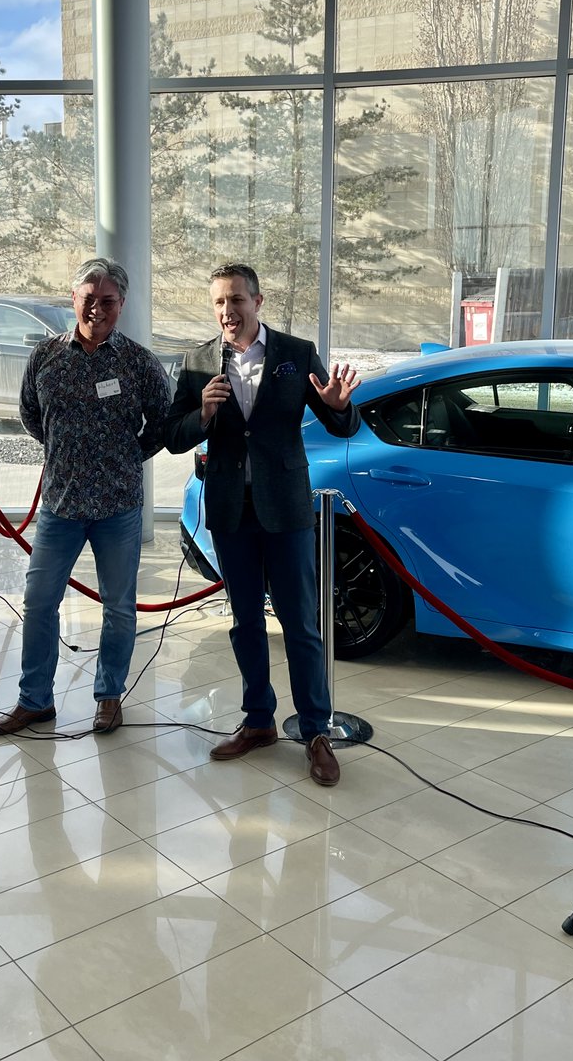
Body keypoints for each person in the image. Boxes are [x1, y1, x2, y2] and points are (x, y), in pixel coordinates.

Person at [164, 263, 361, 786]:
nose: (227, 312)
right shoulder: (196, 363)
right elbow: (172, 435)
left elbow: (341, 420)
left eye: (236, 301)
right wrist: (200, 416)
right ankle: (258, 721)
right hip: (230, 511)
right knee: (245, 621)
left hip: (287, 510)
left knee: (301, 623)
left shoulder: (295, 355)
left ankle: (316, 731)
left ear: (258, 301)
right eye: (219, 304)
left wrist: (340, 408)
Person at [0, 258, 170, 737]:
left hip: (118, 507)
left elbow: (165, 423)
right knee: (39, 602)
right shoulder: (45, 356)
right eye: (89, 299)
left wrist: (131, 456)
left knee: (119, 607)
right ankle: (35, 700)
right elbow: (29, 414)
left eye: (107, 301)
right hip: (60, 505)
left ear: (121, 306)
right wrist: (64, 450)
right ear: (73, 299)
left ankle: (109, 697)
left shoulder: (138, 362)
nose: (96, 309)